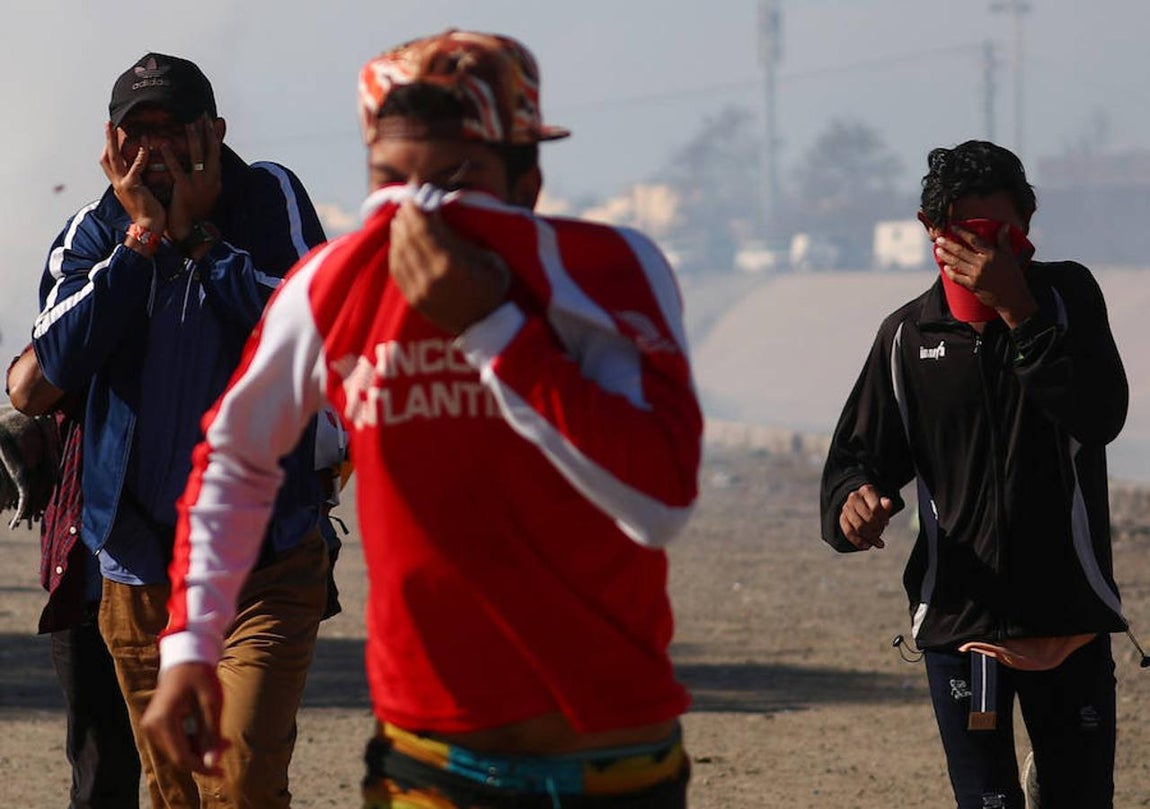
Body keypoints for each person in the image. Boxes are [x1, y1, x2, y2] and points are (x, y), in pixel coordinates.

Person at [141, 29, 702, 808]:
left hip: (614, 758)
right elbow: (236, 457)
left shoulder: (603, 269)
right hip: (427, 761)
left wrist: (492, 328)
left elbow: (658, 501)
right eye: (389, 180)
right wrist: (191, 644)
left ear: (527, 182)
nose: (416, 210)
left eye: (453, 178)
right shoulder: (337, 282)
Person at [15, 52, 332, 808]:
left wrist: (200, 241)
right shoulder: (94, 229)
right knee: (174, 789)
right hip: (138, 564)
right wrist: (140, 242)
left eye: (174, 128)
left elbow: (310, 323)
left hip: (265, 558)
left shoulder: (267, 195)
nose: (155, 148)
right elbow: (53, 361)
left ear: (214, 131)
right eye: (138, 131)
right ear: (111, 143)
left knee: (243, 773)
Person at [820, 140, 1129, 808]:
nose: (984, 253)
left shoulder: (1068, 299)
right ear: (931, 231)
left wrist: (1020, 311)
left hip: (1070, 617)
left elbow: (1101, 415)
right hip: (962, 627)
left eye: (1000, 235)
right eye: (966, 235)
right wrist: (855, 502)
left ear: (1028, 225)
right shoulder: (907, 338)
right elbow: (854, 462)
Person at [6, 349, 142, 809]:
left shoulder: (198, 322)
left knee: (198, 772)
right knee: (98, 774)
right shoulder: (81, 315)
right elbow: (26, 390)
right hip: (83, 576)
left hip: (174, 578)